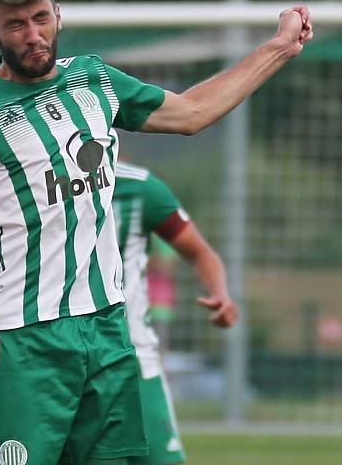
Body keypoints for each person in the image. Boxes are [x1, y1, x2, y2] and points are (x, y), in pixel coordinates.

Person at [0, 0, 312, 465]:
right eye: (15, 24)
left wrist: (278, 48)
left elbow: (192, 112)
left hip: (108, 328)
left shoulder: (95, 80)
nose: (33, 35)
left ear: (59, 16)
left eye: (41, 18)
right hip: (20, 338)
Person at [113, 160, 238, 465]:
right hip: (55, 359)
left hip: (132, 357)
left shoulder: (140, 189)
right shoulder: (26, 180)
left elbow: (199, 252)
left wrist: (221, 293)